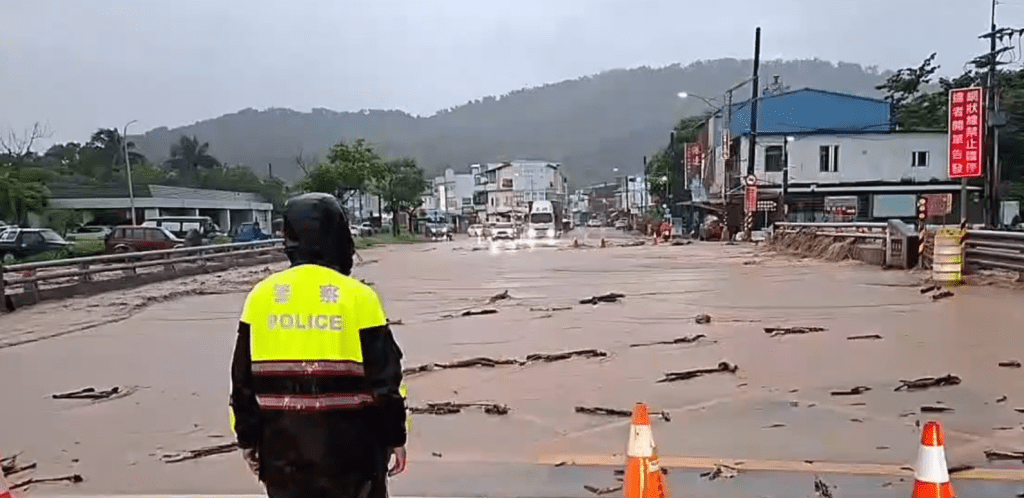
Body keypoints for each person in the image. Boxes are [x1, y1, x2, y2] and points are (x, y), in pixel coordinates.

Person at [230, 192, 408, 498]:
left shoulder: (260, 297)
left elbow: (242, 384)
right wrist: (396, 437)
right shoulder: (359, 298)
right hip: (355, 457)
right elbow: (385, 384)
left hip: (283, 455)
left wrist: (248, 440)